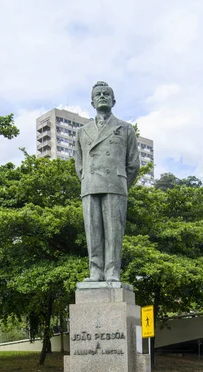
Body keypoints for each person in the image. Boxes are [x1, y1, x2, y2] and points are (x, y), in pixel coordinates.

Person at [75, 81, 140, 282]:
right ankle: (95, 270)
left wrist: (120, 183)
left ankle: (112, 271)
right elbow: (79, 165)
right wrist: (88, 179)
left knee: (114, 231)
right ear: (92, 101)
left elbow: (134, 164)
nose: (102, 96)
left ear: (113, 100)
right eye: (98, 94)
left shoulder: (126, 128)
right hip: (90, 184)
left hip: (115, 184)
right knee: (92, 231)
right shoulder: (82, 131)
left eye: (106, 94)